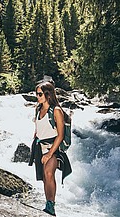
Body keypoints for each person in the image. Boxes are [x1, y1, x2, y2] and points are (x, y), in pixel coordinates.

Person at [29, 80, 72, 216]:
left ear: (48, 95)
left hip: (53, 148)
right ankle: (48, 202)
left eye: (40, 94)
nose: (37, 96)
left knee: (49, 173)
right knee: (44, 177)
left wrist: (49, 154)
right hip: (39, 146)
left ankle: (51, 205)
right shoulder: (38, 109)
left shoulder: (56, 111)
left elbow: (60, 135)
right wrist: (36, 135)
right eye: (36, 94)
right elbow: (39, 127)